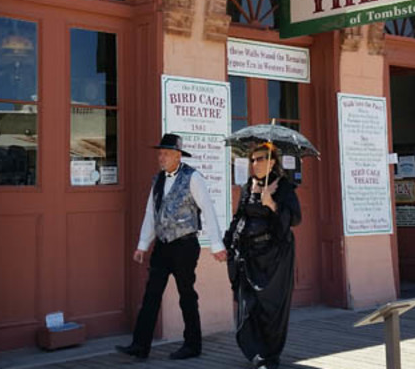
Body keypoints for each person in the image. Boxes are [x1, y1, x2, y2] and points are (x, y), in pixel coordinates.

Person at [116, 133, 227, 360]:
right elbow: (150, 213)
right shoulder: (157, 180)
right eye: (160, 153)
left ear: (178, 155)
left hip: (185, 244)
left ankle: (192, 345)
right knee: (151, 294)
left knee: (186, 294)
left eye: (166, 153)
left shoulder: (193, 177)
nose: (161, 157)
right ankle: (140, 345)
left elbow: (207, 209)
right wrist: (142, 244)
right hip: (163, 245)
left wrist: (217, 245)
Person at [223, 144, 301, 369]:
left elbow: (295, 219)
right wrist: (227, 243)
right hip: (249, 256)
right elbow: (239, 217)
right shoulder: (249, 185)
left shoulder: (284, 187)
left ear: (272, 161)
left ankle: (269, 356)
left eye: (259, 159)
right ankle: (256, 352)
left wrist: (272, 204)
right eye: (252, 160)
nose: (254, 164)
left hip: (275, 258)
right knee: (248, 305)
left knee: (271, 308)